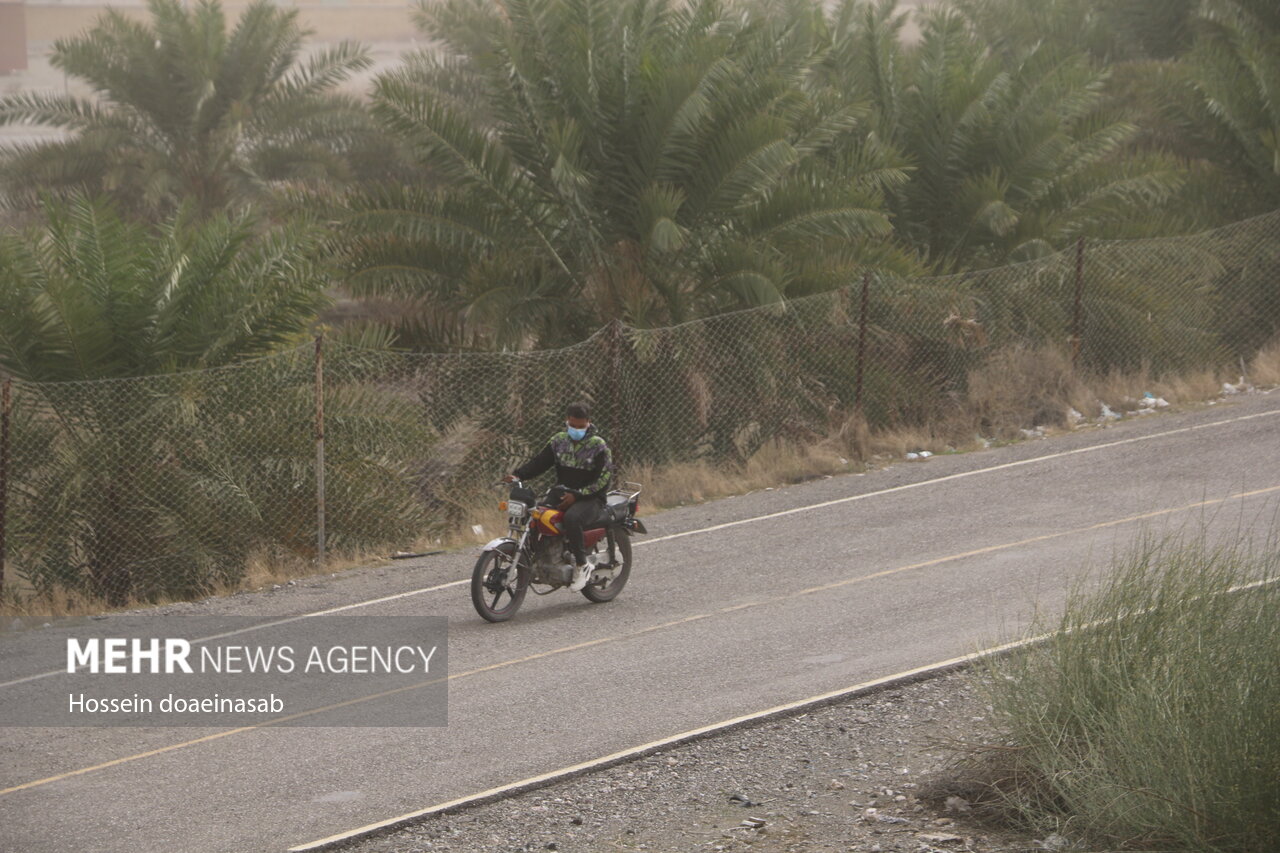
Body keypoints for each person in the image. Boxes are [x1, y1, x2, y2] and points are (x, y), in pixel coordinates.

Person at [506, 401, 614, 592]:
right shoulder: (558, 441)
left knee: (572, 518)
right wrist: (518, 475)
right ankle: (536, 558)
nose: (577, 429)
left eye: (581, 426)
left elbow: (604, 479)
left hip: (591, 498)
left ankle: (582, 565)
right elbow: (540, 462)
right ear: (567, 421)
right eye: (573, 425)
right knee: (535, 514)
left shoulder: (599, 446)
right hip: (562, 491)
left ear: (588, 422)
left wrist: (578, 495)